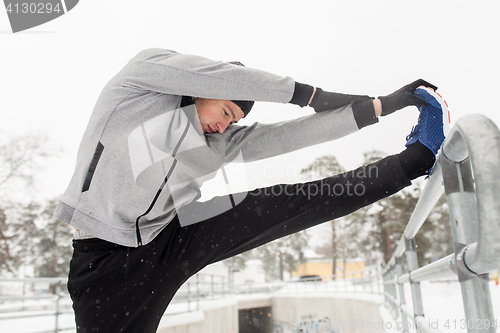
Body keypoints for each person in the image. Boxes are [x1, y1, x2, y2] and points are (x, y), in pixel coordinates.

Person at [54, 48, 449, 332]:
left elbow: (292, 135)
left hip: (173, 236)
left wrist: (381, 106)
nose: (225, 126)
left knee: (287, 203)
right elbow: (223, 76)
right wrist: (308, 94)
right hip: (104, 264)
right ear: (201, 87)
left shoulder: (219, 143)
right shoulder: (138, 84)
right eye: (227, 111)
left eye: (235, 119)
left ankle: (411, 162)